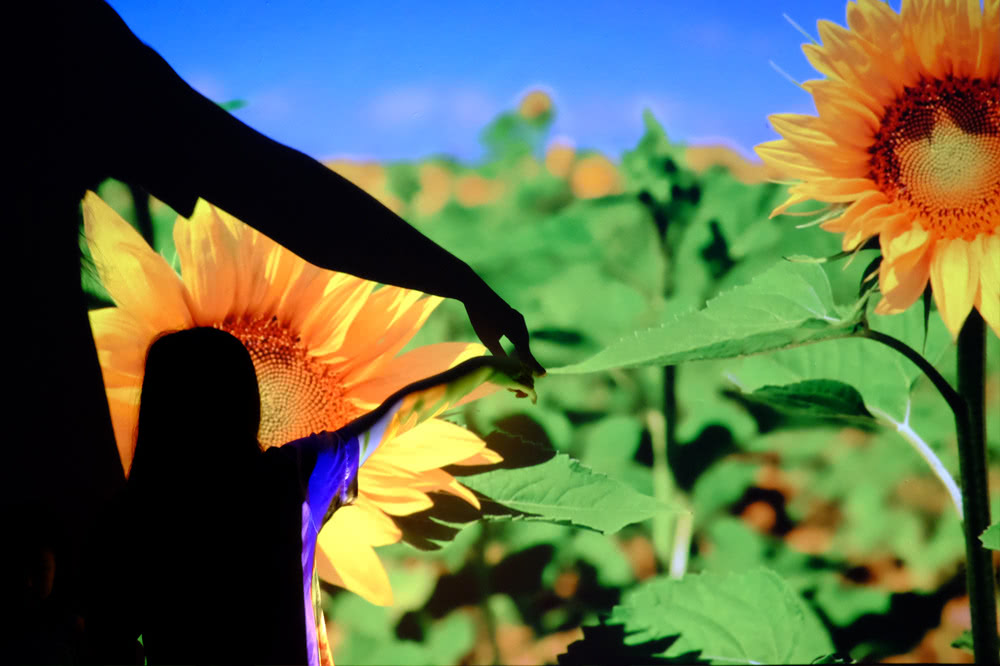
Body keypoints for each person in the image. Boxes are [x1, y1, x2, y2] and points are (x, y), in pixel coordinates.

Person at [6, 0, 543, 632]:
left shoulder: (131, 524)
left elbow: (259, 181)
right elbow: (264, 184)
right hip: (43, 488)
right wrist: (457, 286)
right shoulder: (51, 36)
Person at [83, 327, 526, 664]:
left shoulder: (131, 516)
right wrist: (481, 370)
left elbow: (108, 637)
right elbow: (399, 416)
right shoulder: (291, 478)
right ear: (247, 401)